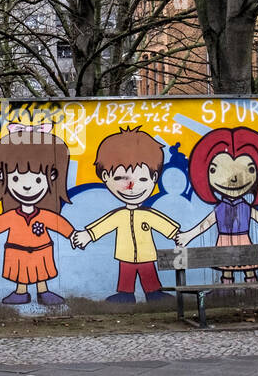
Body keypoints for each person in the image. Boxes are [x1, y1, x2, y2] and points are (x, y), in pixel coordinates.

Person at [71, 128, 179, 303]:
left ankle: (153, 292)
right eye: (122, 178)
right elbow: (103, 225)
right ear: (105, 176)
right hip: (125, 255)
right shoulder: (118, 215)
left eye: (143, 180)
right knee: (126, 275)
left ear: (155, 178)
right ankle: (125, 294)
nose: (132, 187)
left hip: (147, 255)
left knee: (148, 272)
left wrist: (177, 235)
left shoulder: (148, 214)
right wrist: (87, 235)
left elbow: (164, 225)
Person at [0, 125, 75, 306]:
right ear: (2, 176)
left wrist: (72, 234)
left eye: (38, 179)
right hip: (17, 251)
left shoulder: (45, 215)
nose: (27, 186)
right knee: (20, 271)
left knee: (41, 271)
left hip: (41, 250)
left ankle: (43, 291)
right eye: (15, 179)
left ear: (52, 177)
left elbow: (58, 222)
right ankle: (21, 291)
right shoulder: (12, 215)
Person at [175, 127, 258, 283]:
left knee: (249, 270)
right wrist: (188, 235)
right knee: (227, 272)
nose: (233, 180)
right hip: (224, 242)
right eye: (215, 170)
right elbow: (205, 224)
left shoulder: (246, 208)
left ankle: (253, 293)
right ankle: (225, 294)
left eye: (249, 169)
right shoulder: (220, 208)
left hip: (243, 241)